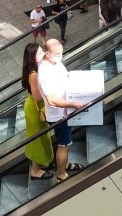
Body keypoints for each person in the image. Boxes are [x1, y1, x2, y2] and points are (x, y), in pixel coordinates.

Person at [38, 38, 86, 183]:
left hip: (65, 111)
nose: (60, 56)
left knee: (66, 143)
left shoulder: (55, 63)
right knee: (64, 145)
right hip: (59, 115)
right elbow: (51, 99)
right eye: (57, 54)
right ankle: (61, 175)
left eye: (61, 53)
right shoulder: (45, 71)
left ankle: (64, 165)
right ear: (47, 53)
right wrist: (73, 104)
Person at [21, 42, 54, 179]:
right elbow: (37, 96)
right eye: (39, 53)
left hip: (34, 106)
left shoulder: (34, 68)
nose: (42, 54)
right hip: (35, 108)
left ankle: (40, 163)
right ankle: (35, 170)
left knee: (41, 136)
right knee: (37, 139)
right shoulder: (34, 74)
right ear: (33, 57)